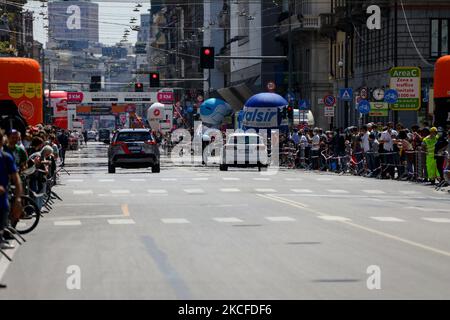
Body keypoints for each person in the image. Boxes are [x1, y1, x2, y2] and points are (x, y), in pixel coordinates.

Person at [0, 130, 23, 250]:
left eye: (17, 137)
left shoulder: (6, 157)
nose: (15, 139)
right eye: (12, 137)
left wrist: (18, 199)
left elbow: (17, 177)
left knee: (6, 214)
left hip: (3, 198)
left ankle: (6, 232)